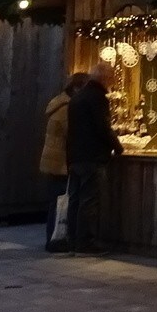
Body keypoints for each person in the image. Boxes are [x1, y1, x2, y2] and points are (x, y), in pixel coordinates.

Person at [65, 60, 124, 251]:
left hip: (75, 155)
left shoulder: (77, 97)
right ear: (103, 78)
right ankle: (85, 242)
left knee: (75, 198)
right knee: (89, 200)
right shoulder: (97, 97)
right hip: (92, 156)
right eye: (110, 77)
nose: (112, 80)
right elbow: (102, 127)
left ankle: (71, 239)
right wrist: (117, 146)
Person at [40, 73, 90, 251]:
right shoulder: (67, 108)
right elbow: (72, 132)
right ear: (77, 88)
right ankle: (55, 240)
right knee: (60, 202)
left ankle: (54, 239)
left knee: (56, 201)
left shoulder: (58, 103)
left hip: (53, 159)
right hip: (60, 160)